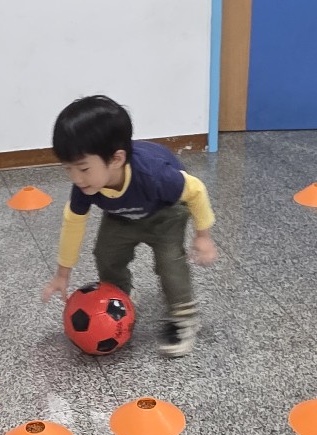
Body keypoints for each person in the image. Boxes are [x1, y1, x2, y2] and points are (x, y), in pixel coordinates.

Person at [41, 96, 217, 357]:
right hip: (121, 215)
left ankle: (184, 314)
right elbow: (73, 223)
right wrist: (62, 274)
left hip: (165, 212)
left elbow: (196, 190)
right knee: (106, 254)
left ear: (116, 159)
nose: (76, 178)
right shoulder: (85, 186)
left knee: (169, 262)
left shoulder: (154, 175)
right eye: (68, 169)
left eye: (83, 168)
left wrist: (203, 236)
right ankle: (118, 299)